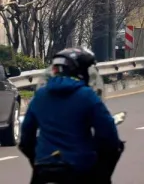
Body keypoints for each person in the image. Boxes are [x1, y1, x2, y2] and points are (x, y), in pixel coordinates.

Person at [19, 47, 123, 184]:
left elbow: (26, 138)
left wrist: (39, 160)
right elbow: (108, 134)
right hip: (79, 169)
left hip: (44, 170)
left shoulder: (39, 96)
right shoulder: (87, 95)